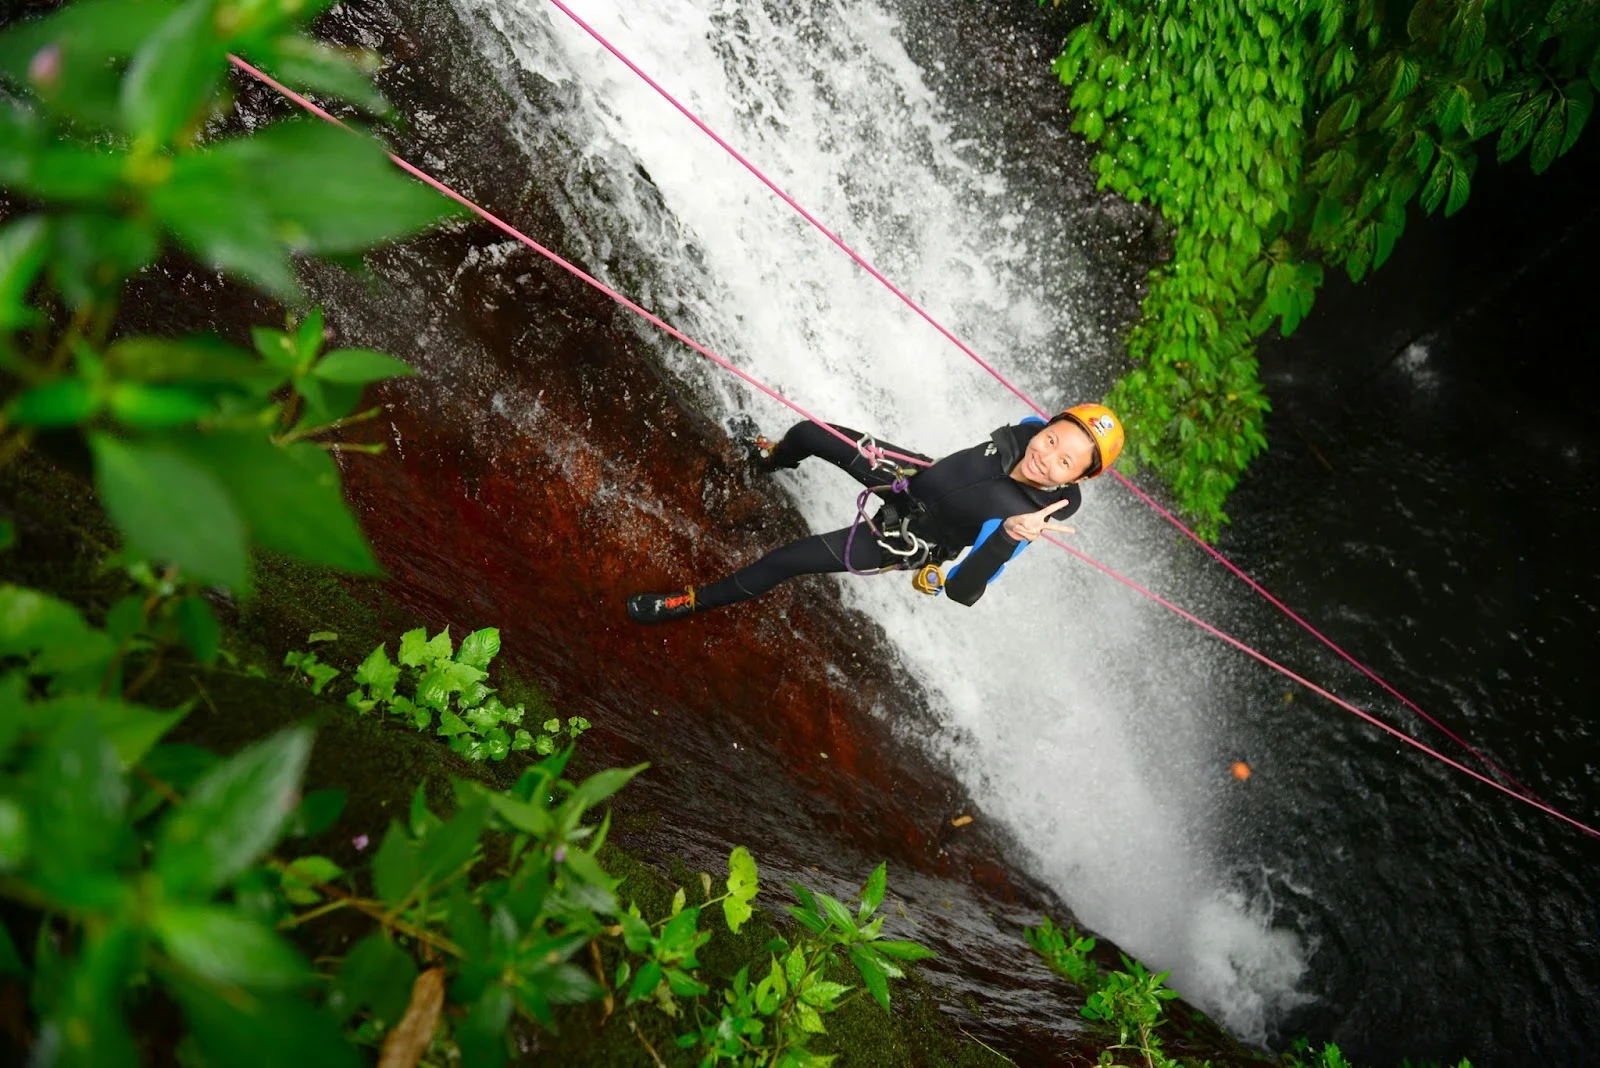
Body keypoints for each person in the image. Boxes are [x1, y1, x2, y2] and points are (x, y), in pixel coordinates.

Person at [625, 404, 1125, 623]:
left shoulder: (1024, 521)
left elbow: (962, 590)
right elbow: (1048, 432)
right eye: (1053, 437)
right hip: (910, 476)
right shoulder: (1029, 430)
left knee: (786, 560)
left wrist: (1009, 537)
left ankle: (690, 602)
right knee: (810, 433)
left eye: (1064, 460)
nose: (1046, 453)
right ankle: (768, 462)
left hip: (905, 534)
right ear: (1047, 423)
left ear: (1075, 479)